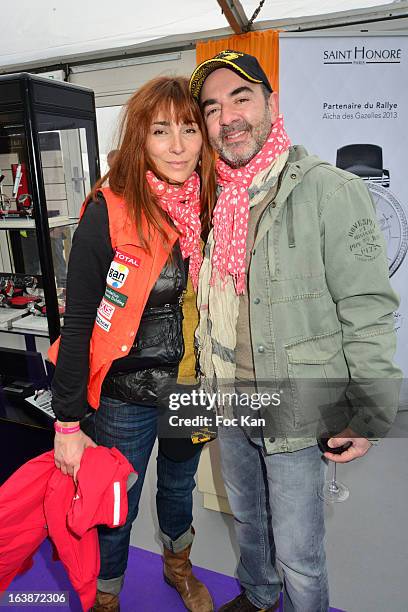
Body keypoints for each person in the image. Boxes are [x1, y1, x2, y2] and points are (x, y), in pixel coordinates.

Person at [189, 50, 401, 612]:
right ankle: (259, 598)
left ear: (271, 104)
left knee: (300, 554)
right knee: (250, 524)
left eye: (241, 98)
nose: (227, 118)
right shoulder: (221, 202)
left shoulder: (331, 192)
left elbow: (368, 309)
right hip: (233, 401)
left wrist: (370, 411)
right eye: (212, 108)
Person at [48, 76, 215, 612]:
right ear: (140, 137)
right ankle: (107, 595)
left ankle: (178, 567)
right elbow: (77, 327)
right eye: (160, 130)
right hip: (124, 394)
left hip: (191, 386)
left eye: (189, 129)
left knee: (178, 488)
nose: (176, 145)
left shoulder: (216, 211)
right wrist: (68, 423)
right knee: (115, 502)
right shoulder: (110, 209)